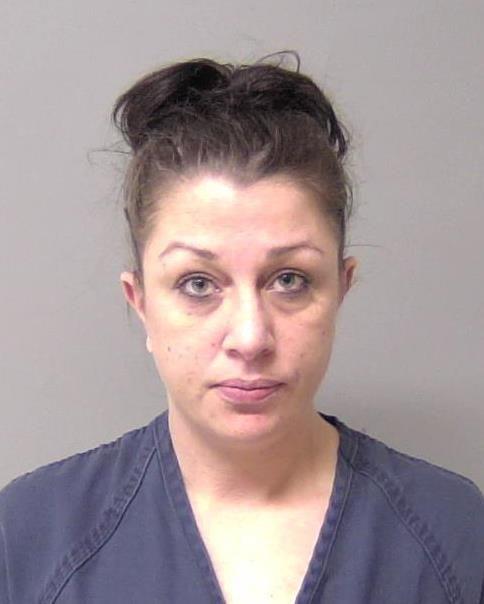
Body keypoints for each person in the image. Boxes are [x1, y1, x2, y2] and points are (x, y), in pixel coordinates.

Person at [0, 52, 483, 604]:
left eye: (290, 280)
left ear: (341, 288)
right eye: (198, 284)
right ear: (141, 302)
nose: (250, 338)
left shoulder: (455, 534)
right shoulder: (31, 536)